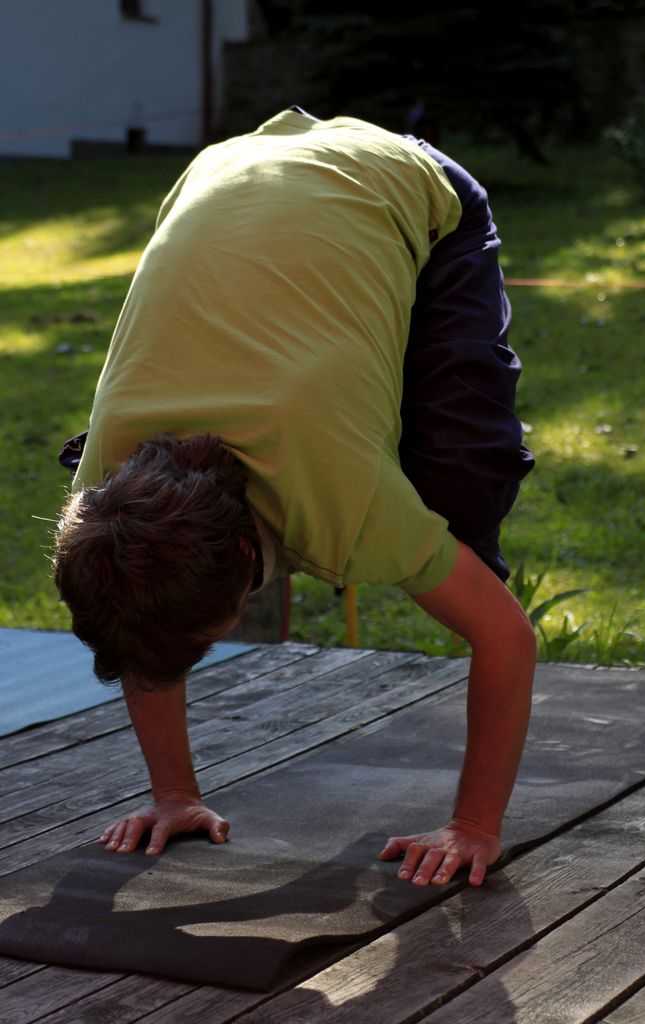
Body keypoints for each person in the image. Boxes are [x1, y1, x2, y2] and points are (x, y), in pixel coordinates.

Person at [54, 107, 536, 889]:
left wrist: (473, 827)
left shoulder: (345, 498)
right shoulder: (106, 487)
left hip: (400, 182)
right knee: (147, 596)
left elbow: (507, 638)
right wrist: (174, 796)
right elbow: (143, 631)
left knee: (460, 489)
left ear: (248, 552)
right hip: (227, 169)